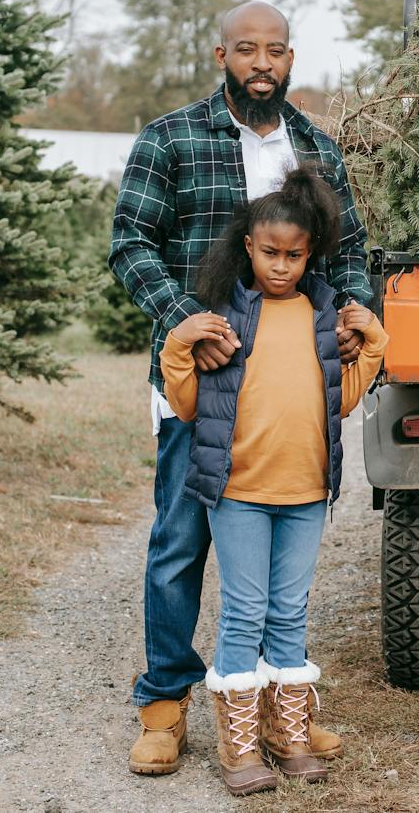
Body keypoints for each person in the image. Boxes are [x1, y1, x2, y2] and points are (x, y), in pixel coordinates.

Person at [110, 1, 373, 776]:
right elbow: (130, 242)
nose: (263, 63)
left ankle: (275, 711)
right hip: (205, 387)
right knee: (180, 546)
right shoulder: (172, 138)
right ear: (221, 52)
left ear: (292, 58)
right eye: (248, 49)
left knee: (277, 562)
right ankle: (164, 706)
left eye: (277, 51)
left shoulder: (318, 148)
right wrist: (185, 317)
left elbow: (351, 248)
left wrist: (356, 314)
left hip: (292, 392)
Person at [159, 171, 387, 796]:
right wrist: (178, 345)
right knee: (243, 612)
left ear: (310, 251)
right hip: (238, 493)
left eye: (293, 254)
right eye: (268, 253)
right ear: (248, 247)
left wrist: (372, 340)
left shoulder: (323, 316)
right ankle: (238, 747)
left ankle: (287, 733)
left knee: (288, 611)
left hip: (307, 493)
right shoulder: (226, 315)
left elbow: (339, 401)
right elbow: (187, 405)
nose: (280, 266)